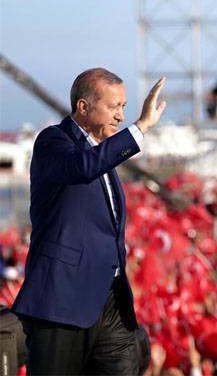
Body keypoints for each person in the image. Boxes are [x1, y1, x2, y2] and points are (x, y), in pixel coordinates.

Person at [11, 68, 167, 374]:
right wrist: (141, 128)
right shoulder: (54, 142)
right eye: (113, 107)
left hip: (111, 300)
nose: (121, 116)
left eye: (124, 107)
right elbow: (82, 167)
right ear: (83, 107)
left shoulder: (101, 152)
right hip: (64, 299)